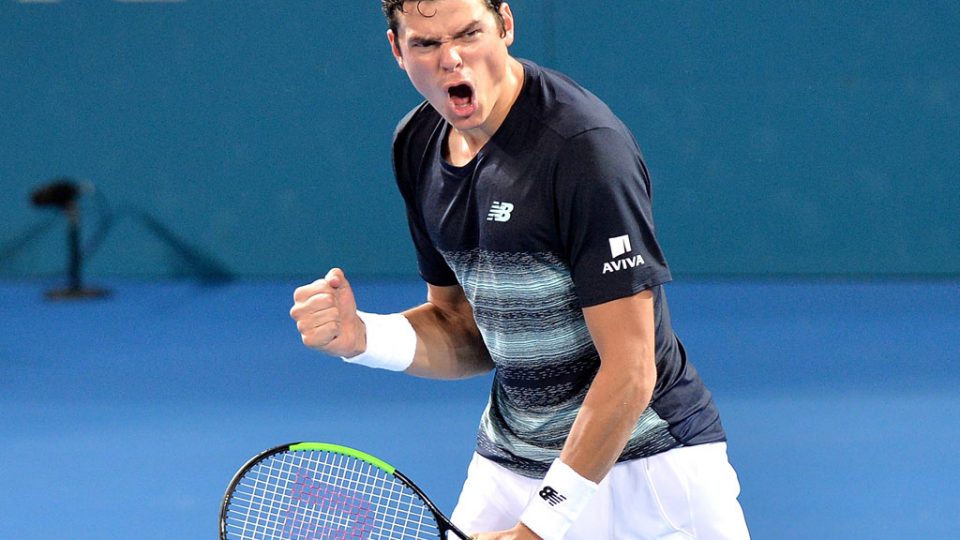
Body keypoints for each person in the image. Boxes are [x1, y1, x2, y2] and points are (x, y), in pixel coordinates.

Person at [290, 1, 750, 538]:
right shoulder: (416, 145)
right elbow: (465, 329)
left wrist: (540, 525)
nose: (453, 60)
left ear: (506, 25)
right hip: (511, 464)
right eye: (426, 44)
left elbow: (631, 369)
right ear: (397, 49)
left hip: (649, 471)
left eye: (469, 34)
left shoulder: (582, 149)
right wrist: (362, 337)